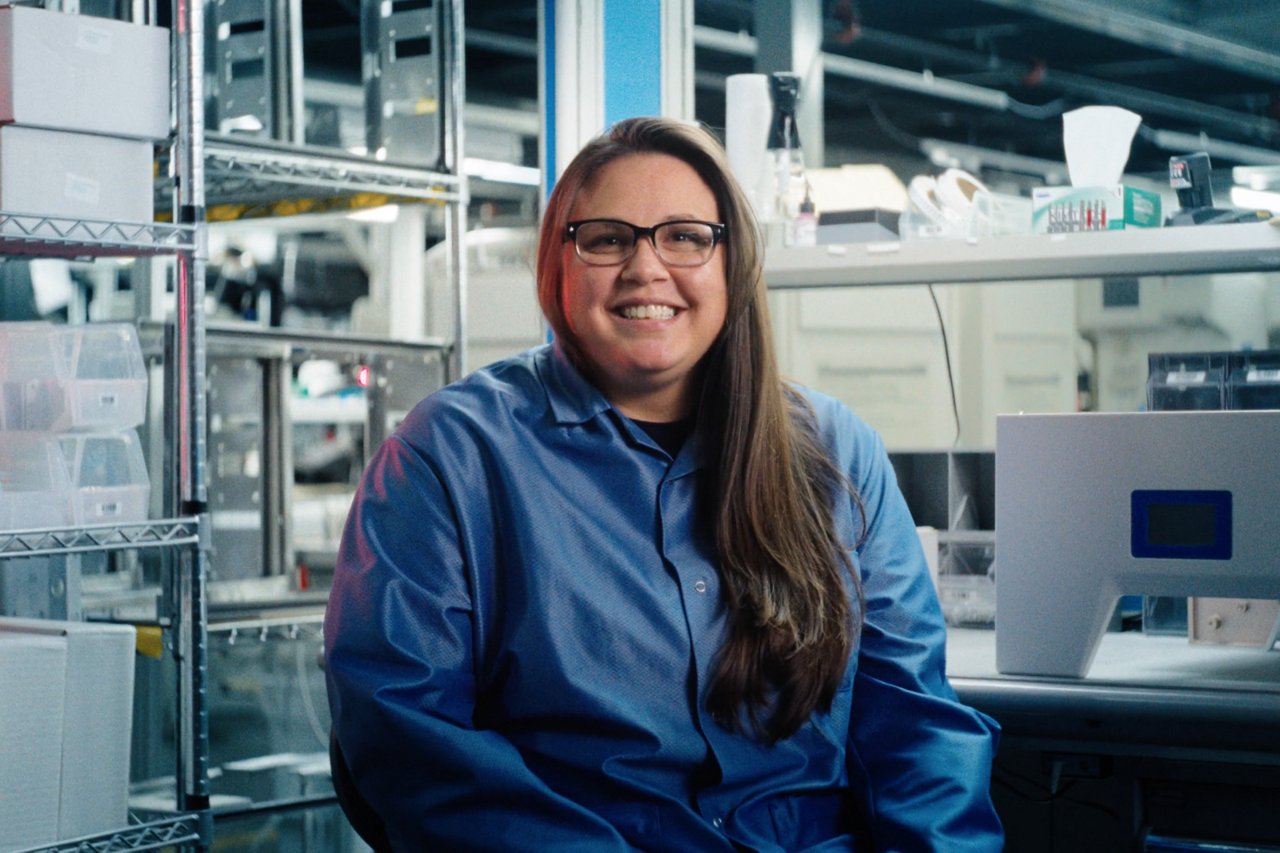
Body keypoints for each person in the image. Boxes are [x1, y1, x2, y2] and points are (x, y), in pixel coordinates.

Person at [323, 116, 1003, 851]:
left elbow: (915, 722)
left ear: (731, 261)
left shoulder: (838, 454)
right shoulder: (448, 459)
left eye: (685, 235)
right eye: (609, 238)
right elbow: (408, 743)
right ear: (558, 261)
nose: (647, 267)